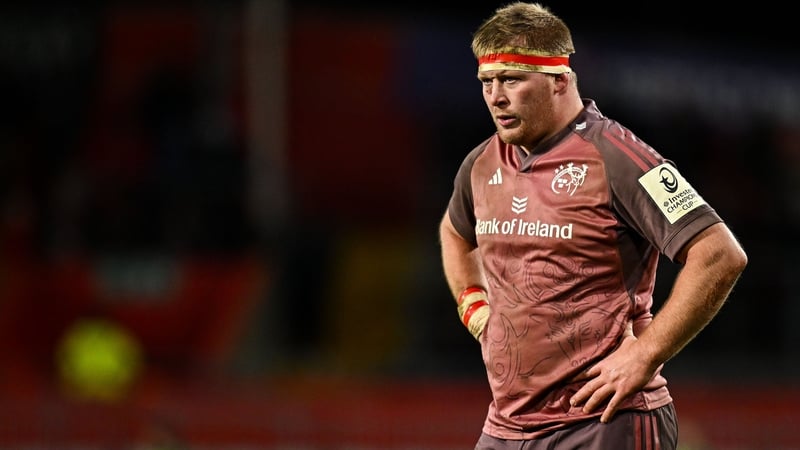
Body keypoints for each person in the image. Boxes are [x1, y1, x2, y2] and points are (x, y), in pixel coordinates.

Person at [438, 3, 748, 449]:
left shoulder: (618, 157)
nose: (496, 96)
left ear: (560, 79)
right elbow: (455, 232)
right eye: (487, 81)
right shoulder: (482, 162)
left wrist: (645, 354)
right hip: (505, 426)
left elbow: (718, 254)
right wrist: (474, 306)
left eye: (512, 79)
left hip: (602, 421)